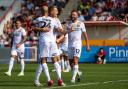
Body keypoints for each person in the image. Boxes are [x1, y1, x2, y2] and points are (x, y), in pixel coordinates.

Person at [33, 4, 65, 87]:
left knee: (53, 60)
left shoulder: (56, 20)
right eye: (55, 10)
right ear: (51, 11)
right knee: (43, 62)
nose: (57, 12)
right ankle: (37, 80)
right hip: (47, 42)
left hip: (52, 42)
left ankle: (59, 80)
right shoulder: (47, 20)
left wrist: (60, 37)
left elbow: (61, 32)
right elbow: (33, 28)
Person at [66, 10, 90, 83]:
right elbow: (65, 33)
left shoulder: (81, 23)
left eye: (74, 15)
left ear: (77, 16)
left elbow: (85, 35)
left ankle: (73, 79)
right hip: (69, 44)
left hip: (77, 44)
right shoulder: (68, 24)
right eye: (72, 14)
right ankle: (78, 73)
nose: (73, 16)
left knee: (75, 60)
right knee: (71, 63)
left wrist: (87, 45)